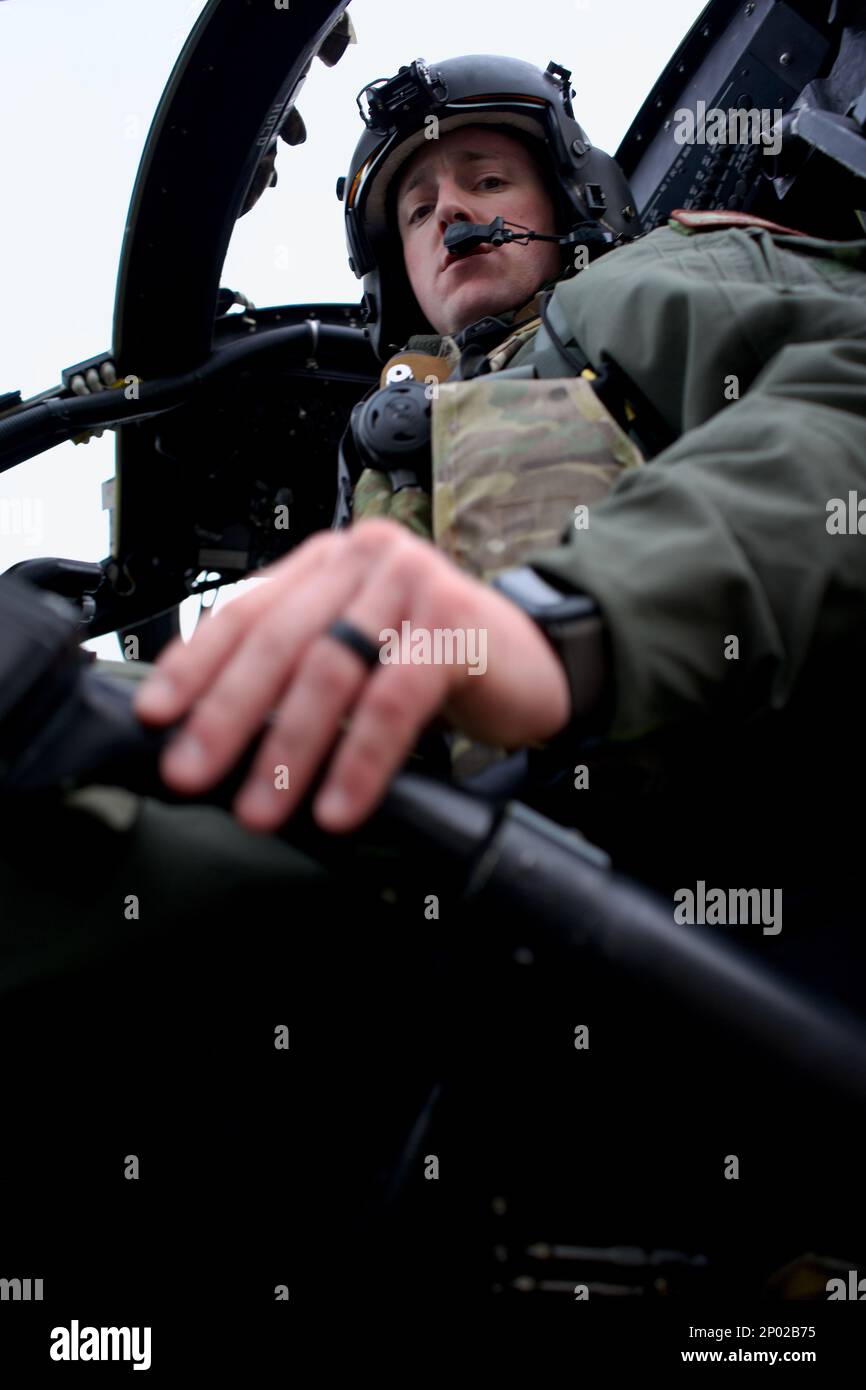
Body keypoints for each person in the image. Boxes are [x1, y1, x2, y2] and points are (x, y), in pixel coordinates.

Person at [4, 52, 866, 1311]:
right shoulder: (390, 457)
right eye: (417, 210)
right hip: (415, 894)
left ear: (567, 196)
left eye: (486, 177)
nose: (454, 213)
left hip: (653, 868)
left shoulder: (653, 285)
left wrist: (565, 619)